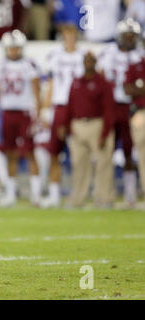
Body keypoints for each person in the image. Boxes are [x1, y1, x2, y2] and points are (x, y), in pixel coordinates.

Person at [0, 30, 42, 207]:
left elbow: (37, 93)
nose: (13, 51)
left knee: (29, 152)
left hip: (25, 113)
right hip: (8, 113)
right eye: (11, 48)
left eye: (16, 48)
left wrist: (38, 116)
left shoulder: (29, 64)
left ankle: (36, 195)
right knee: (10, 154)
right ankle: (11, 194)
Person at [97, 18, 142, 206]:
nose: (130, 39)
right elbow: (100, 77)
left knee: (130, 151)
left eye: (133, 36)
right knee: (105, 151)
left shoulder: (140, 56)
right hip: (111, 105)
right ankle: (106, 194)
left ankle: (130, 194)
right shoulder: (108, 53)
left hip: (131, 108)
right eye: (126, 36)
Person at [41, 22, 85, 208]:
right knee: (54, 153)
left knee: (79, 154)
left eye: (72, 35)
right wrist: (45, 108)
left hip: (77, 108)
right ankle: (54, 194)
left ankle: (78, 194)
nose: (69, 38)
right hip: (59, 106)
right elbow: (50, 84)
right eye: (67, 35)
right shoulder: (55, 56)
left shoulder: (83, 56)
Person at [65, 52, 116, 207]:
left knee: (103, 164)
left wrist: (105, 132)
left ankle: (104, 198)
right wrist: (68, 127)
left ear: (95, 62)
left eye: (91, 61)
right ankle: (78, 199)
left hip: (97, 124)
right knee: (79, 164)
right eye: (86, 60)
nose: (88, 63)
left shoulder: (103, 83)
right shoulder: (76, 82)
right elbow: (70, 106)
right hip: (78, 125)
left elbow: (109, 109)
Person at [124, 42, 145, 202]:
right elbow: (127, 89)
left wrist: (140, 88)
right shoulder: (136, 66)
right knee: (142, 154)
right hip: (140, 113)